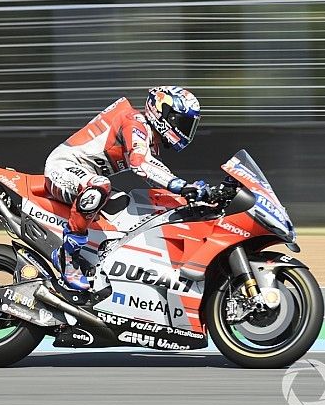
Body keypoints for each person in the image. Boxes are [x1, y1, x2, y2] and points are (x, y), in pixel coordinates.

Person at [45, 85, 208, 290]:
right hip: (62, 167)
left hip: (83, 174)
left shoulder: (144, 132)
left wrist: (185, 189)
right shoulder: (134, 122)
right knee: (100, 186)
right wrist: (180, 186)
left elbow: (151, 169)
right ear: (163, 113)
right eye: (183, 122)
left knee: (126, 207)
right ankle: (66, 257)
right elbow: (139, 164)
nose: (186, 130)